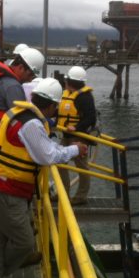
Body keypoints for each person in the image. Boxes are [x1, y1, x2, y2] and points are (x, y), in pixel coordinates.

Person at [0, 78, 88, 278]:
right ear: (51, 105)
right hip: (5, 189)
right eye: (55, 107)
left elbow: (43, 147)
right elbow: (47, 156)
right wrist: (75, 149)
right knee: (24, 242)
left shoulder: (18, 113)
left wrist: (64, 148)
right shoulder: (31, 124)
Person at [0, 47, 45, 259]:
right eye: (31, 74)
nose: (30, 79)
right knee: (0, 198)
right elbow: (21, 119)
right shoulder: (12, 86)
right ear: (21, 67)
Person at [57, 66, 97, 205]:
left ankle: (81, 196)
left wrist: (77, 127)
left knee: (82, 166)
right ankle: (63, 193)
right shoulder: (67, 93)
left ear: (70, 81)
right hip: (66, 135)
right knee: (59, 162)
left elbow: (91, 118)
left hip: (79, 137)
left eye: (66, 80)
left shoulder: (85, 97)